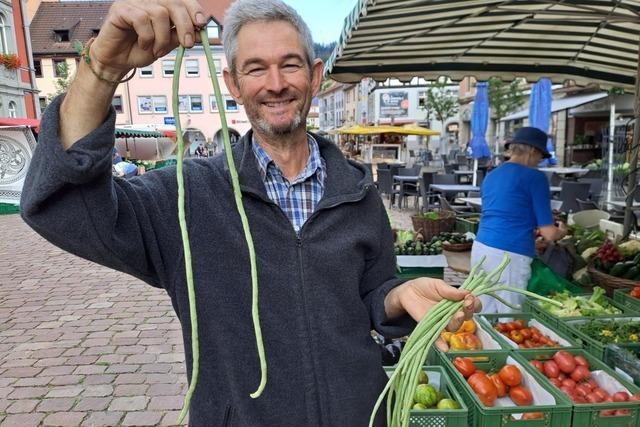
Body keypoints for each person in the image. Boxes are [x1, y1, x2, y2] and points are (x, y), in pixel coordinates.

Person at [20, 0, 480, 425]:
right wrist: (102, 68)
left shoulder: (357, 190)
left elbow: (371, 291)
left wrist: (398, 294)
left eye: (290, 65)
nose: (276, 84)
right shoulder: (186, 195)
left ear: (315, 76)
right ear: (233, 85)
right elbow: (65, 209)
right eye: (256, 68)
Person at [471, 127, 567, 313]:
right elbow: (549, 234)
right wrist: (562, 231)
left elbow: (506, 210)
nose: (540, 160)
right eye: (540, 155)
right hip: (510, 254)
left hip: (481, 248)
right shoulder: (535, 178)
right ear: (532, 150)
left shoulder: (491, 176)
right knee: (510, 317)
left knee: (483, 312)